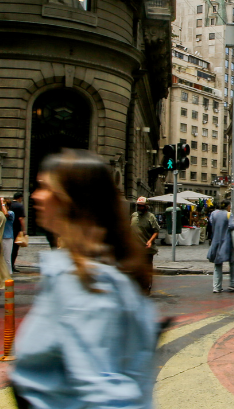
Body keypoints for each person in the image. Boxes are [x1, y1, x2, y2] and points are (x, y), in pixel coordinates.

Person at [10, 149, 156, 409]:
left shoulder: (85, 281)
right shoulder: (83, 269)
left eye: (44, 187)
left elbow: (108, 396)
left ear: (69, 198)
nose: (35, 196)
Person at [207, 203, 234, 293]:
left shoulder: (214, 213)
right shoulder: (228, 214)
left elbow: (211, 222)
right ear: (228, 206)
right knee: (232, 261)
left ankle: (216, 287)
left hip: (216, 240)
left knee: (217, 263)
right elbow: (232, 226)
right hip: (227, 241)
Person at [131, 197, 160, 295]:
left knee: (147, 269)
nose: (139, 207)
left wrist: (150, 241)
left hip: (146, 248)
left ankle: (146, 287)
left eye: (142, 206)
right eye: (138, 206)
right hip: (135, 248)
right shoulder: (133, 215)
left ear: (146, 206)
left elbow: (156, 231)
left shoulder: (150, 217)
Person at [0, 197, 16, 285]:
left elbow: (6, 214)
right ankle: (0, 274)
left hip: (7, 237)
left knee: (7, 258)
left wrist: (2, 204)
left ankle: (8, 275)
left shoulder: (11, 213)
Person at [8, 192, 26, 272]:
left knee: (8, 248)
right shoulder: (20, 206)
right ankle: (11, 265)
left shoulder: (9, 205)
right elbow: (21, 218)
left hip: (8, 228)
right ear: (20, 198)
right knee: (15, 248)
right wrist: (24, 230)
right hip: (16, 229)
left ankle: (7, 264)